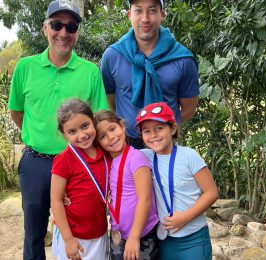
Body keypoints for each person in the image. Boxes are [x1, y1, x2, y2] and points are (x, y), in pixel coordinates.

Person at [7, 0, 108, 258]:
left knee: (82, 229)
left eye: (71, 26)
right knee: (34, 233)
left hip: (79, 164)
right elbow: (17, 112)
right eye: (57, 25)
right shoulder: (25, 67)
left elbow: (99, 118)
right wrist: (40, 136)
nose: (63, 33)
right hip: (37, 163)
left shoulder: (90, 72)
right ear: (45, 28)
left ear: (76, 32)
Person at [101, 0, 200, 149]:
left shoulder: (183, 59)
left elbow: (188, 109)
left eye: (152, 11)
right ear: (129, 15)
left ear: (162, 14)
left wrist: (161, 128)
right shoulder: (113, 55)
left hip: (165, 144)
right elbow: (110, 102)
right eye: (138, 11)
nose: (145, 18)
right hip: (125, 144)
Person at [136, 102, 218, 259]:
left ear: (173, 128)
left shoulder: (189, 156)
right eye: (146, 131)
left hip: (194, 238)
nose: (153, 135)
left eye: (159, 128)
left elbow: (211, 192)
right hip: (166, 239)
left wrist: (186, 217)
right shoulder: (143, 157)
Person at [94, 110, 159, 260]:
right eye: (102, 136)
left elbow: (145, 199)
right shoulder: (108, 162)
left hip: (141, 235)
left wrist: (135, 236)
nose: (111, 137)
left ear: (122, 126)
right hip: (119, 233)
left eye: (112, 129)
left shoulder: (136, 158)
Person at [51, 99, 110, 260]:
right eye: (72, 131)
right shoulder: (63, 160)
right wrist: (68, 239)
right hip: (72, 236)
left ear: (93, 121)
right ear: (63, 134)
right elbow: (56, 201)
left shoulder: (105, 151)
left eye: (85, 126)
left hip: (98, 232)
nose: (82, 135)